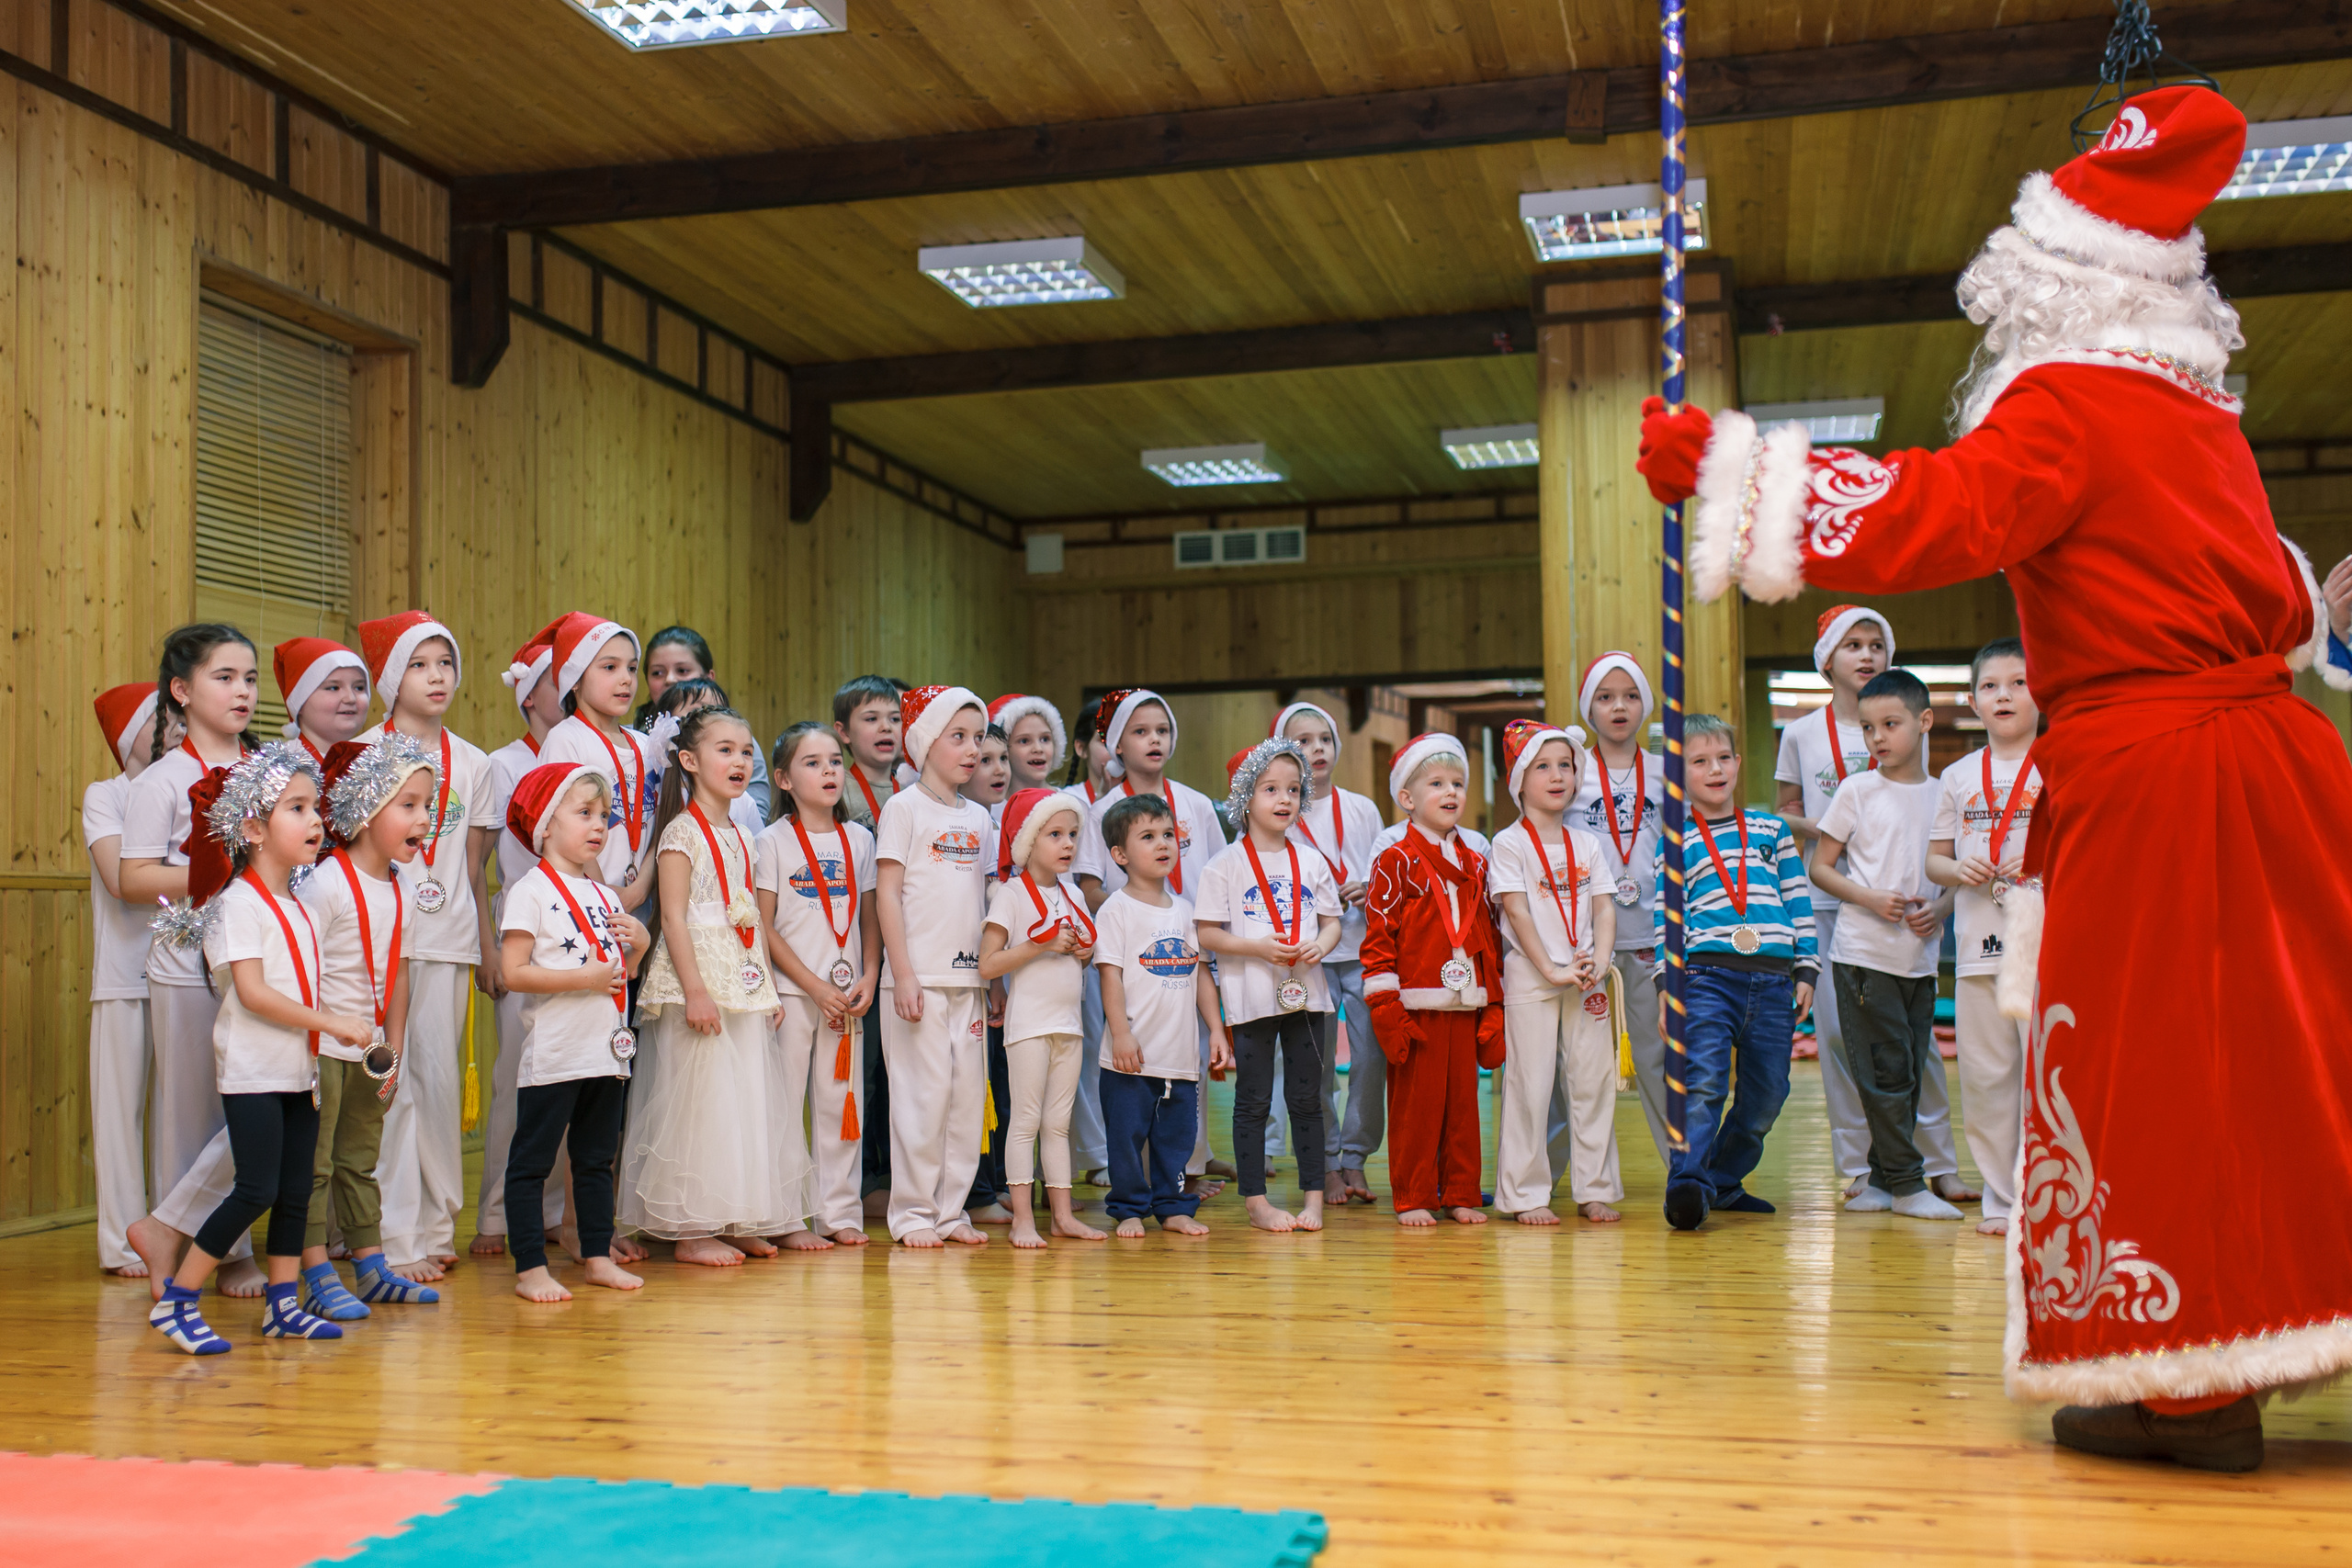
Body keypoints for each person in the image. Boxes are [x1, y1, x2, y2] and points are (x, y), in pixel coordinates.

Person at [1645, 83, 2352, 1469]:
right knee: (2292, 1057)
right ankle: (2287, 1313)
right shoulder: (2206, 420)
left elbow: (1941, 508)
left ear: (2057, 276)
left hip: (2162, 778)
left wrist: (1731, 470)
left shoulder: (2070, 398)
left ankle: (2194, 1386)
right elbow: (2273, 593)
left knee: (2161, 1070)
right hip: (2278, 767)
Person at [148, 744, 368, 1353]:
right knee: (255, 1189)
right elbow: (251, 992)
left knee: (295, 1189)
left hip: (298, 1072)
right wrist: (332, 1022)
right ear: (252, 827)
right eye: (296, 808)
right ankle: (178, 1300)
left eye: (315, 806)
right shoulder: (237, 905)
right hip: (253, 1072)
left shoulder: (299, 906)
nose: (316, 820)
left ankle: (283, 1305)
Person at [1772, 606, 1973, 1208]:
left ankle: (1936, 1162)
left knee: (1919, 1044)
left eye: (1876, 645)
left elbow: (1922, 806)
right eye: (1853, 645)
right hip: (1831, 899)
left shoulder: (1907, 722)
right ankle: (1864, 1166)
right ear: (1827, 659)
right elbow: (1785, 814)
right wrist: (1841, 827)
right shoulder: (1802, 733)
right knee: (1839, 1038)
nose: (1866, 655)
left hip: (1902, 903)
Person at [622, 706, 811, 1262]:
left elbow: (749, 915)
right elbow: (675, 918)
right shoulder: (682, 832)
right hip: (695, 980)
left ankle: (734, 1214)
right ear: (689, 760)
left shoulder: (740, 833)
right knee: (700, 1098)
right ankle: (691, 1226)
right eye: (724, 750)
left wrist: (767, 989)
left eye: (746, 751)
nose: (739, 761)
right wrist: (696, 990)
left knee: (743, 1096)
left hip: (741, 974)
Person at [119, 625, 267, 1299]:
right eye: (224, 677)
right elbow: (132, 876)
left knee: (264, 1107)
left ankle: (172, 1227)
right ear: (181, 691)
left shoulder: (269, 770)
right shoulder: (163, 779)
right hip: (185, 959)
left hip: (263, 963)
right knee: (189, 1117)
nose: (242, 691)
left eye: (250, 678)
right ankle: (215, 1252)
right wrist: (216, 871)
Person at [355, 611, 502, 1282]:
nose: (437, 676)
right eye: (419, 664)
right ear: (391, 678)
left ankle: (439, 1224)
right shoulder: (361, 753)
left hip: (448, 940)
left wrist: (489, 948)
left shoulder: (473, 762)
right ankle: (389, 1229)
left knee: (440, 1088)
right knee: (389, 1086)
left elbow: (470, 868)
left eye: (445, 662)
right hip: (377, 941)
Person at [1648, 715, 1816, 1232]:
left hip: (1772, 981)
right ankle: (1689, 1187)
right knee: (1703, 1085)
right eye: (1699, 762)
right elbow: (1666, 920)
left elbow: (1798, 898)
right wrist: (1665, 987)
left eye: (1723, 758)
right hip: (1705, 979)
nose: (1714, 769)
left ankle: (1722, 1178)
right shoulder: (1675, 843)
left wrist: (1806, 966)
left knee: (1769, 1095)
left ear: (1738, 763)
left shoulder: (1773, 830)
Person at [296, 735, 443, 1318]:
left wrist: (395, 1047)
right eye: (407, 805)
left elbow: (399, 973)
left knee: (360, 1158)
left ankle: (370, 1263)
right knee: (315, 1165)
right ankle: (314, 1269)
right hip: (321, 1048)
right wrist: (312, 1043)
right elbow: (299, 968)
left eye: (427, 805)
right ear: (363, 810)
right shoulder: (325, 882)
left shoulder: (401, 885)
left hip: (367, 1052)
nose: (424, 819)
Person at [1805, 671, 1960, 1222]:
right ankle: (1908, 1186)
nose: (1878, 738)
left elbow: (1950, 881)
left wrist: (1938, 911)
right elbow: (1819, 868)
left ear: (1923, 722)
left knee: (1908, 1069)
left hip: (1918, 960)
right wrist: (1870, 899)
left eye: (1890, 725)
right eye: (1869, 728)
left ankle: (1876, 1178)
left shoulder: (1946, 795)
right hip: (1862, 956)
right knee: (1886, 1070)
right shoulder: (1856, 791)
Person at [499, 761, 652, 1303]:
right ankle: (530, 1269)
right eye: (583, 813)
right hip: (557, 1054)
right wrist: (581, 977)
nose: (598, 826)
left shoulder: (606, 895)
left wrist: (640, 945)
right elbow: (513, 972)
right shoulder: (530, 891)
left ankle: (595, 1256)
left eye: (604, 816)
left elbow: (621, 977)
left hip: (605, 1053)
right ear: (545, 823)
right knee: (533, 1164)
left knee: (595, 1161)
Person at [1073, 690, 1231, 1190]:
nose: (1154, 739)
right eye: (1140, 732)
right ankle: (1136, 1177)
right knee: (1135, 1063)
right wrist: (1137, 916)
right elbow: (1089, 882)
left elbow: (1219, 870)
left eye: (1161, 730)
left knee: (1191, 1058)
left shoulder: (1197, 803)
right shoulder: (1100, 812)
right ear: (1115, 744)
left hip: (1190, 945)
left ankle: (1187, 1169)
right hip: (1133, 956)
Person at [1196, 739, 1342, 1234]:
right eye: (1270, 789)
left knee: (1308, 1100)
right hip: (1251, 998)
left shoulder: (1313, 860)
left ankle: (1314, 1198)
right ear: (1245, 798)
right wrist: (1257, 947)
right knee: (1253, 1101)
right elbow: (1207, 933)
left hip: (1308, 997)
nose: (1285, 799)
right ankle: (1256, 1202)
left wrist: (1322, 944)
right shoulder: (1225, 864)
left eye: (1295, 790)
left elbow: (1332, 922)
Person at [1927, 638, 2042, 1237]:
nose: (2004, 694)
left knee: (2046, 1071)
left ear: (2041, 689)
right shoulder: (1956, 775)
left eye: (2018, 682)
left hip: (2046, 941)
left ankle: (2051, 1194)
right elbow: (1934, 861)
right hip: (1976, 945)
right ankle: (2001, 1194)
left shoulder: (2063, 761)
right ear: (1972, 700)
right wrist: (1958, 870)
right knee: (1987, 1074)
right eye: (1991, 685)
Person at [1363, 733, 1502, 1227]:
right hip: (1415, 1007)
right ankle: (1414, 1194)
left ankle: (1462, 1190)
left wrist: (1495, 1005)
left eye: (1458, 783)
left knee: (1465, 1109)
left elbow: (1486, 936)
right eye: (1437, 783)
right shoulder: (1393, 861)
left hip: (1466, 1002)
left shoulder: (1477, 862)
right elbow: (1378, 938)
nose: (1451, 792)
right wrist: (1386, 1008)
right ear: (1407, 798)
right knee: (1416, 1111)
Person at [875, 684, 994, 1247]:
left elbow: (988, 902)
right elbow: (888, 895)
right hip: (917, 981)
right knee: (920, 1103)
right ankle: (913, 1215)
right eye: (959, 737)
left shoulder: (981, 817)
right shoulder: (903, 808)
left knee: (965, 1104)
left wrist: (992, 977)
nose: (973, 750)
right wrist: (903, 974)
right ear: (925, 743)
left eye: (979, 738)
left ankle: (951, 1213)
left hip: (969, 982)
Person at [754, 722, 881, 1249]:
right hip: (792, 995)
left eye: (834, 761)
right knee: (784, 1105)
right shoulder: (771, 840)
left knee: (840, 1104)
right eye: (812, 763)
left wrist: (870, 974)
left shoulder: (860, 839)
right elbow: (763, 926)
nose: (829, 770)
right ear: (783, 778)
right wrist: (810, 986)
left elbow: (870, 921)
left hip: (847, 995)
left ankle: (837, 1212)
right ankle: (785, 1215)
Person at [1488, 720, 1621, 1225]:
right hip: (1533, 979)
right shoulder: (1508, 844)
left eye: (1565, 765)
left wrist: (1602, 962)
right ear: (1520, 780)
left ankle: (1595, 1187)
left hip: (1586, 978)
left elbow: (1605, 908)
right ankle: (1524, 1194)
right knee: (1530, 1085)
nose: (1557, 775)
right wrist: (1551, 968)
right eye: (1542, 766)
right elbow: (1516, 913)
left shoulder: (1586, 844)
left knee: (1594, 1082)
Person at [473, 617, 568, 1260]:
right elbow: (473, 867)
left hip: (580, 929)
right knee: (514, 1079)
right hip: (519, 929)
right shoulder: (500, 764)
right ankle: (498, 1214)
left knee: (574, 1075)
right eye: (561, 680)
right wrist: (487, 947)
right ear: (529, 694)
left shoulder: (586, 756)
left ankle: (558, 1211)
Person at [1091, 793, 1227, 1238]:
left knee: (1176, 1141)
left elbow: (1202, 976)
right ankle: (1129, 1208)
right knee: (1126, 1140)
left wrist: (1217, 1031)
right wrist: (1121, 1034)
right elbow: (1109, 978)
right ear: (1120, 854)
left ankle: (1173, 1206)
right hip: (1129, 1057)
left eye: (1168, 834)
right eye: (1148, 836)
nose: (1163, 843)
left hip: (1180, 1057)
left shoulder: (1189, 913)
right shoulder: (1115, 911)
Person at [979, 788, 1102, 1247]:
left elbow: (1082, 956)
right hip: (1029, 1026)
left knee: (1058, 1124)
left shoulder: (1073, 892)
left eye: (1072, 833)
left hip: (1069, 1024)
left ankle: (1063, 1217)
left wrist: (1085, 953)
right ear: (1028, 842)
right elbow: (988, 964)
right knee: (1025, 1123)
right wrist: (1039, 946)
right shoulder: (1010, 894)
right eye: (1055, 834)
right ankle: (1022, 1220)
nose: (1068, 843)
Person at [1272, 701, 1383, 1208]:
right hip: (1308, 953)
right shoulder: (1275, 809)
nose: (1315, 749)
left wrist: (1368, 887)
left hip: (1364, 950)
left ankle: (1356, 1156)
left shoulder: (1362, 808)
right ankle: (1326, 1162)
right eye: (1301, 741)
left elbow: (1388, 874)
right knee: (1312, 1066)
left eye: (1324, 739)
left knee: (1371, 1058)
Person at [85, 683, 171, 1276]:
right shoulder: (106, 795)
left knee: (180, 1116)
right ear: (127, 737)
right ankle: (119, 1242)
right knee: (118, 1114)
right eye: (159, 719)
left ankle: (172, 1231)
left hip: (185, 971)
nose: (175, 727)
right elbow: (121, 877)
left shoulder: (183, 787)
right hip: (122, 973)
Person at [1573, 653, 1672, 1165]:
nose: (1618, 707)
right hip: (1586, 945)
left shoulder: (1664, 769)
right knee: (1575, 1070)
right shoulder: (1568, 767)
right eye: (1605, 697)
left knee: (1659, 1063)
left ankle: (1688, 1172)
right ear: (1588, 707)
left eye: (1630, 696)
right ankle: (1538, 1180)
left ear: (1646, 706)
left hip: (1652, 938)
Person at [538, 614, 654, 907]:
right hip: (586, 905)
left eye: (631, 668)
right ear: (574, 680)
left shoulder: (646, 744)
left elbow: (663, 825)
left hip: (646, 905)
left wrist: (640, 889)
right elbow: (564, 829)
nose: (626, 678)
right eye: (610, 667)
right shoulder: (566, 739)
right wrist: (604, 895)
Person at [636, 625, 768, 818]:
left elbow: (757, 814)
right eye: (657, 673)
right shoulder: (633, 741)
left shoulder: (738, 744)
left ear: (709, 678)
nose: (670, 680)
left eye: (682, 670)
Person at [273, 638, 369, 763]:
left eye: (359, 688)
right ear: (300, 703)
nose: (350, 698)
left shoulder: (375, 765)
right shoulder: (281, 767)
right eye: (334, 688)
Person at [831, 674, 906, 829]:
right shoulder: (836, 791)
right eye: (872, 719)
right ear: (844, 732)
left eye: (895, 719)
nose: (886, 727)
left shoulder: (913, 790)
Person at [990, 694, 1068, 795]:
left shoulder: (1070, 806)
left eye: (1045, 739)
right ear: (1004, 752)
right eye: (1024, 741)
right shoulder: (990, 809)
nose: (1038, 748)